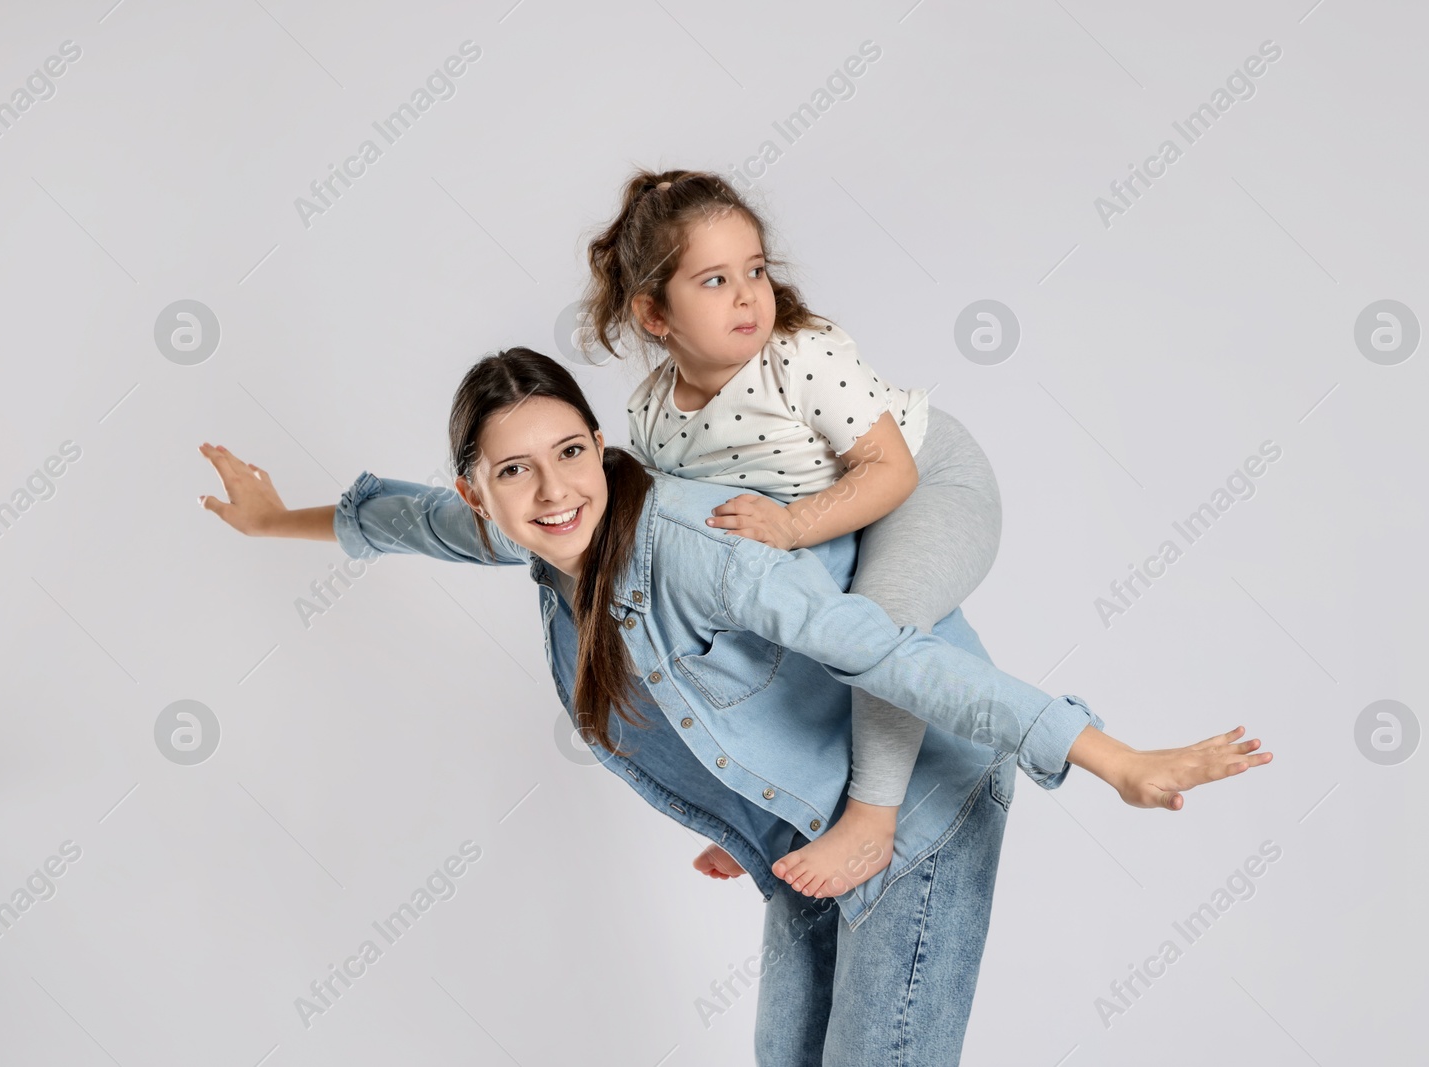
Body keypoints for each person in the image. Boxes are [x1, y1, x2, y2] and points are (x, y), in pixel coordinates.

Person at [195, 347, 1272, 1063]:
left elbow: (890, 656)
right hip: (799, 840)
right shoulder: (515, 527)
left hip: (920, 820)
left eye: (572, 450)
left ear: (602, 446)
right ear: (482, 490)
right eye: (514, 471)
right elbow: (402, 521)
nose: (556, 488)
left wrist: (1107, 753)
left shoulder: (702, 545)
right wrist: (270, 521)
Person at [580, 167, 1004, 898]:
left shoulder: (801, 359)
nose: (748, 294)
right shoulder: (654, 416)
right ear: (654, 313)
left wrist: (791, 524)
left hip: (924, 481)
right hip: (836, 517)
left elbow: (889, 470)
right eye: (714, 281)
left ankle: (872, 817)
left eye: (755, 269)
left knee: (880, 619)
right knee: (741, 629)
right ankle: (757, 813)